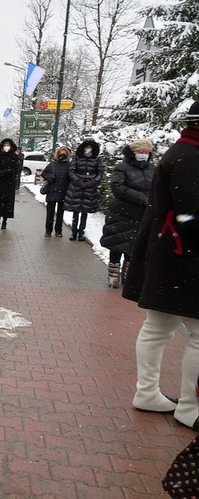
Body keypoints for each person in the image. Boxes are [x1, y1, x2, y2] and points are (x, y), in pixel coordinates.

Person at [122, 99, 199, 429]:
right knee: (197, 333)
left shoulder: (182, 152)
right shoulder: (191, 156)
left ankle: (148, 392)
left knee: (158, 328)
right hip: (185, 259)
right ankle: (190, 407)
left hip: (170, 255)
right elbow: (192, 215)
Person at [99, 139, 155, 288]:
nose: (143, 155)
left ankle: (128, 276)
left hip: (142, 214)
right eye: (140, 152)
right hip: (122, 212)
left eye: (146, 152)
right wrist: (142, 198)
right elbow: (117, 187)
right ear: (133, 152)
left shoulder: (152, 169)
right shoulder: (122, 167)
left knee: (134, 246)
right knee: (117, 243)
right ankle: (113, 274)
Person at [64, 138, 103, 241]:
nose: (88, 149)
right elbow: (71, 171)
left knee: (85, 212)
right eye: (87, 147)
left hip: (89, 189)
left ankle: (81, 232)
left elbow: (100, 173)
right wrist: (78, 181)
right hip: (76, 188)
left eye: (90, 147)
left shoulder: (97, 159)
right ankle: (74, 232)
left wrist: (93, 182)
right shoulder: (77, 158)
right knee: (75, 212)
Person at [0, 138, 20, 229]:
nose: (6, 147)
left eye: (8, 145)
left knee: (7, 203)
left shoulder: (14, 156)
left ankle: (5, 220)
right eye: (5, 145)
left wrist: (6, 172)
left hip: (9, 183)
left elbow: (16, 169)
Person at [41, 147, 72, 237]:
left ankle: (58, 231)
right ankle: (48, 231)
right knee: (50, 213)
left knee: (60, 214)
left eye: (64, 153)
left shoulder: (69, 165)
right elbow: (44, 173)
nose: (62, 155)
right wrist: (50, 176)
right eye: (61, 153)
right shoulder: (53, 164)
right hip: (52, 191)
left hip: (63, 191)